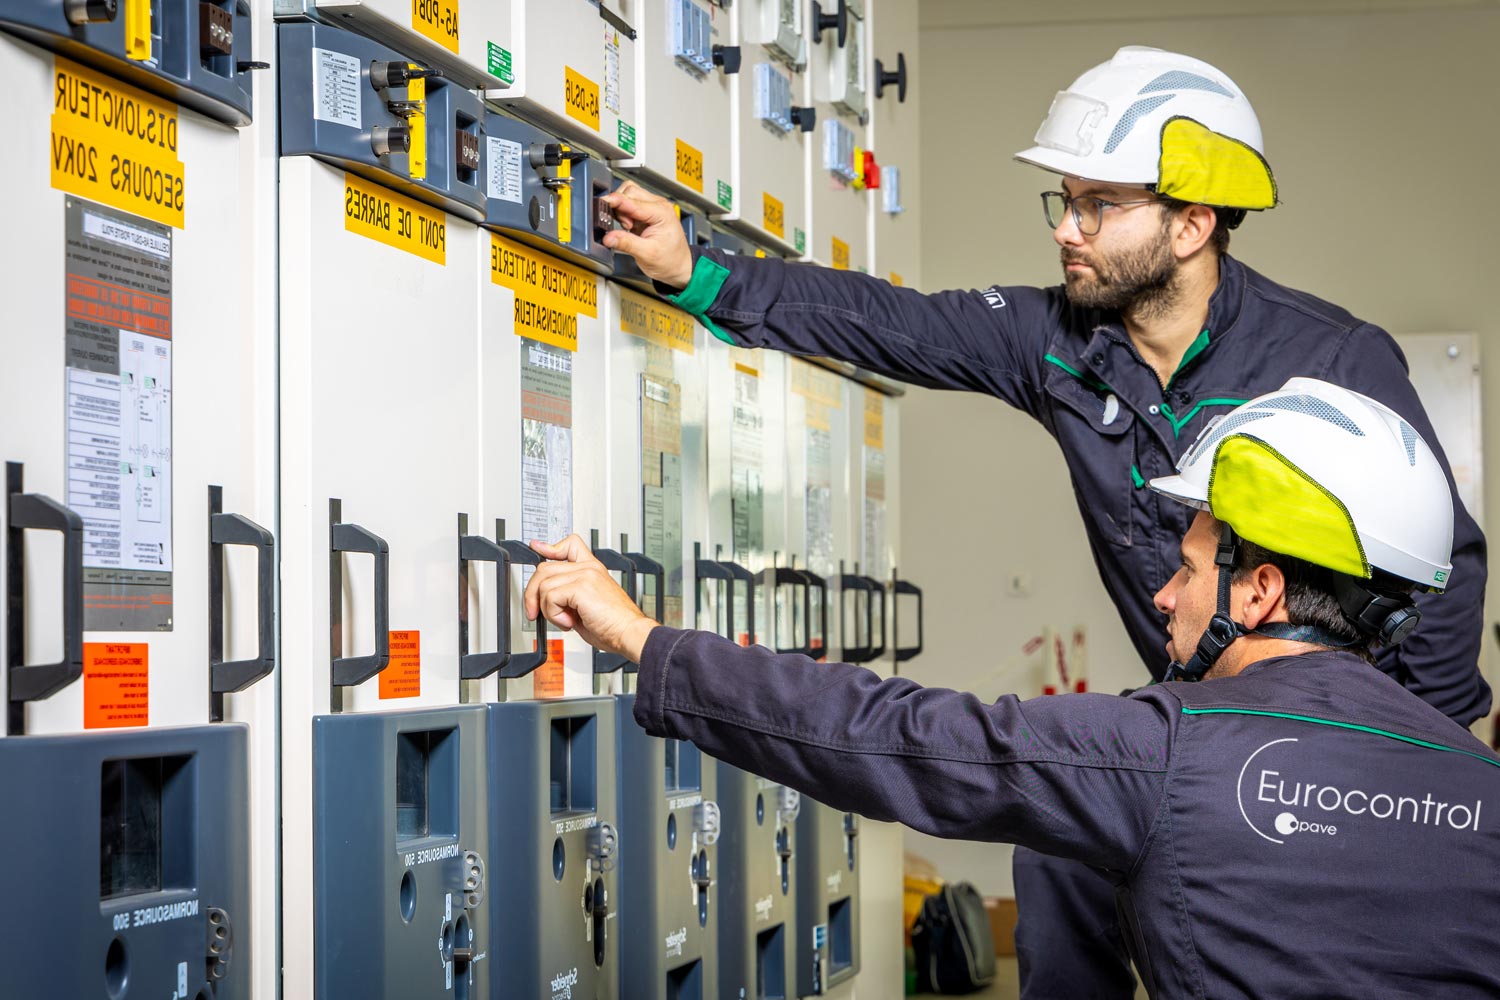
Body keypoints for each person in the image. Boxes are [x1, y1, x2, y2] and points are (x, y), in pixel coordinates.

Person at [598, 45, 1491, 996]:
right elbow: (898, 324)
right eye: (1064, 201)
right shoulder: (1055, 340)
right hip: (1195, 711)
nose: (1068, 229)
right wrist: (700, 274)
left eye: (1099, 205)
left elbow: (1445, 564)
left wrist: (1423, 764)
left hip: (1349, 714)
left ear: (1192, 224)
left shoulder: (1332, 357)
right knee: (1061, 843)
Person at [524, 380, 1500, 1000]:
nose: (1164, 595)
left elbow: (894, 736)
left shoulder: (1165, 750)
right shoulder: (1477, 776)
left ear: (1261, 591)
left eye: (1190, 567)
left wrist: (643, 639)